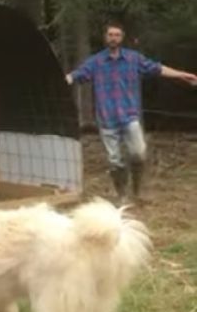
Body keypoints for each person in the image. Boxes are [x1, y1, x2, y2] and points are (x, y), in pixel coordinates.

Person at [66, 21, 197, 203]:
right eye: (110, 35)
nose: (113, 38)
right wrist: (62, 79)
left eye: (117, 35)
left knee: (139, 153)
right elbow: (76, 75)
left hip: (129, 116)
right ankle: (121, 195)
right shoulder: (95, 62)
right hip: (107, 118)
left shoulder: (133, 59)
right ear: (105, 37)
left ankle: (137, 191)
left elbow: (157, 68)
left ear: (122, 38)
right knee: (115, 161)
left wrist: (182, 75)